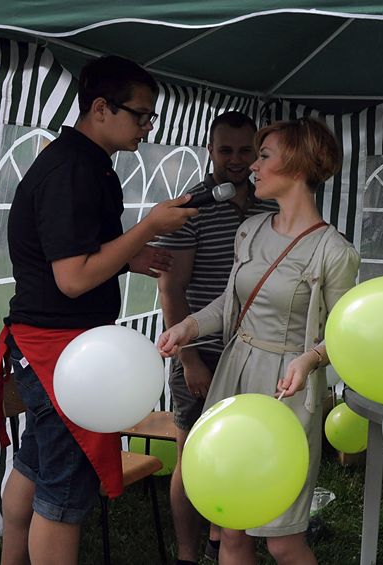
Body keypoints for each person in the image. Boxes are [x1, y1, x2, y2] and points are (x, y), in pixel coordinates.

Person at [0, 55, 197, 565]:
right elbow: (73, 278)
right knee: (62, 494)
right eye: (141, 115)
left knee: (36, 468)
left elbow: (69, 254)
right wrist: (146, 229)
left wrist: (128, 257)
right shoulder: (73, 170)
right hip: (58, 352)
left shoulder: (82, 161)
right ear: (101, 108)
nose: (148, 128)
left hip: (47, 343)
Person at [157, 117, 360, 565]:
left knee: (283, 540)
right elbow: (227, 305)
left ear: (299, 164)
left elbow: (346, 336)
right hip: (234, 374)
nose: (253, 166)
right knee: (231, 529)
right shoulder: (249, 231)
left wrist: (308, 361)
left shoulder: (335, 251)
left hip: (285, 392)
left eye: (264, 156)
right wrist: (185, 329)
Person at [151, 111, 278, 564]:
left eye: (247, 151)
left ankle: (222, 541)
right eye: (226, 150)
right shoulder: (192, 206)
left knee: (240, 451)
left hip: (253, 349)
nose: (237, 160)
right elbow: (171, 288)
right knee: (193, 455)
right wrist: (189, 362)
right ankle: (188, 553)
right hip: (199, 348)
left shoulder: (271, 202)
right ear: (210, 150)